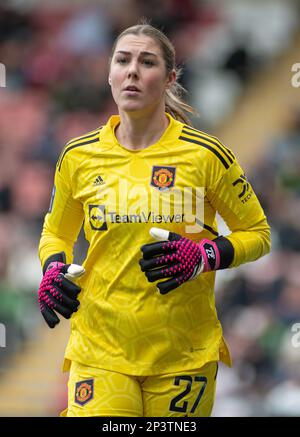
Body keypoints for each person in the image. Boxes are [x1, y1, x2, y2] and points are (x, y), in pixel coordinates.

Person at [38, 23, 271, 417]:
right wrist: (51, 269)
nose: (132, 71)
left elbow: (258, 234)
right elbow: (56, 232)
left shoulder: (206, 156)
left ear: (169, 79)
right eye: (122, 60)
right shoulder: (78, 156)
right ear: (110, 73)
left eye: (147, 62)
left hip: (184, 352)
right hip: (101, 349)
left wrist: (203, 256)